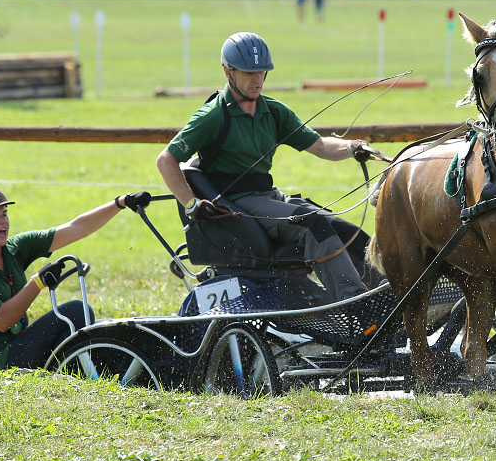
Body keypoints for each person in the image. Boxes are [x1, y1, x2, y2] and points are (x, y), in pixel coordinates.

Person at [156, 32, 381, 303]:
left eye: (262, 72)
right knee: (314, 226)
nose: (257, 79)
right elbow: (166, 160)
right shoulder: (213, 116)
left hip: (269, 196)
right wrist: (191, 203)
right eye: (249, 72)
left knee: (344, 228)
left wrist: (351, 147)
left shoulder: (273, 111)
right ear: (228, 72)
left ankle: (385, 295)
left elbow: (320, 146)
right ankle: (353, 302)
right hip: (238, 204)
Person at [0, 184, 152, 369]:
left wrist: (120, 203)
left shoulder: (14, 248)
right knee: (75, 311)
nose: (3, 221)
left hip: (20, 346)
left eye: (5, 214)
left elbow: (76, 228)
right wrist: (38, 282)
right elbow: (1, 320)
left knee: (78, 315)